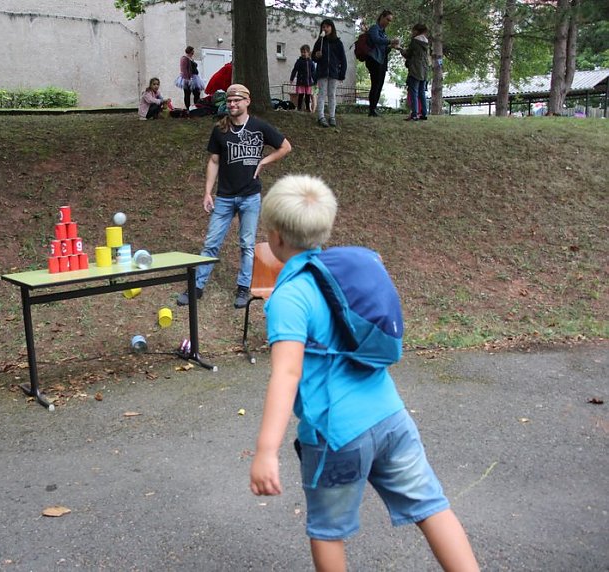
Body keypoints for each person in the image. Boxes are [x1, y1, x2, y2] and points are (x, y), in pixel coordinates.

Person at [249, 174, 480, 572]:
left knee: (327, 531)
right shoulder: (345, 275)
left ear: (276, 236)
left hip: (337, 436)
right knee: (431, 506)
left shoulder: (290, 297)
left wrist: (266, 451)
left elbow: (286, 374)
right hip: (391, 418)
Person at [176, 84, 292, 309]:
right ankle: (196, 288)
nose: (232, 105)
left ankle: (242, 289)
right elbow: (213, 161)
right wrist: (207, 192)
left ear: (247, 101)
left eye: (237, 101)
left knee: (247, 245)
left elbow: (285, 147)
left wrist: (263, 161)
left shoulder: (259, 127)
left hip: (250, 196)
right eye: (229, 101)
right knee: (211, 243)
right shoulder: (220, 129)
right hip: (225, 197)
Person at [312, 19, 347, 127]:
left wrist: (342, 74)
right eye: (323, 27)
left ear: (332, 28)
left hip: (333, 73)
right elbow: (314, 57)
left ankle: (332, 117)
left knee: (332, 95)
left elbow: (343, 59)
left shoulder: (338, 42)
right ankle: (321, 117)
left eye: (327, 26)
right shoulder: (319, 41)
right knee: (322, 94)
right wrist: (316, 56)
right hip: (322, 72)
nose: (325, 29)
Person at [366, 10, 400, 117]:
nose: (388, 23)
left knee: (379, 85)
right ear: (382, 17)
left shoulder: (383, 33)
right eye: (387, 20)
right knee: (375, 84)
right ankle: (371, 109)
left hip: (382, 61)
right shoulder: (374, 29)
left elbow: (384, 49)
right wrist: (390, 41)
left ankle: (374, 108)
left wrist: (390, 47)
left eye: (390, 21)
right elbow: (376, 40)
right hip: (374, 60)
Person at [400, 23, 431, 121]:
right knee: (422, 92)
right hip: (425, 70)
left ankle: (414, 114)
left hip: (415, 69)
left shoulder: (415, 41)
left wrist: (400, 49)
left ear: (417, 31)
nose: (412, 33)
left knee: (414, 91)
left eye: (413, 31)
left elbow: (408, 54)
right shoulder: (426, 43)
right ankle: (424, 114)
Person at [175, 46, 205, 110]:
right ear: (190, 51)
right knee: (187, 93)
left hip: (195, 78)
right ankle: (188, 108)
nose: (193, 52)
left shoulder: (191, 58)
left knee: (197, 93)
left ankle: (197, 107)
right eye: (192, 51)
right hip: (188, 78)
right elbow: (184, 69)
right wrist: (188, 79)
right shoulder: (184, 58)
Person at [290, 45, 316, 113]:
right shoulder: (299, 61)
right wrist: (291, 78)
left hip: (309, 83)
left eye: (305, 52)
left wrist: (315, 80)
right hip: (301, 82)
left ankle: (307, 108)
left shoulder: (311, 62)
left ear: (308, 53)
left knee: (308, 96)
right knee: (301, 96)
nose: (303, 54)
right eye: (302, 52)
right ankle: (299, 108)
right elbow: (295, 70)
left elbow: (313, 72)